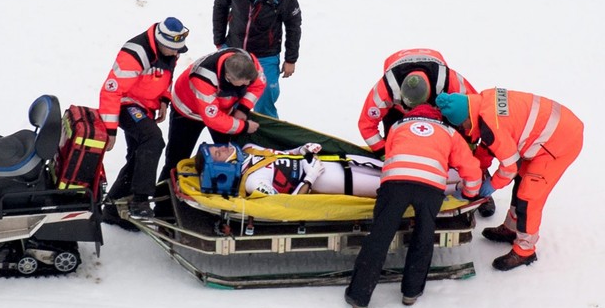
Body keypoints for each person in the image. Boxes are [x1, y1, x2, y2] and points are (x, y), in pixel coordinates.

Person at [344, 104, 484, 308]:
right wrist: (470, 194)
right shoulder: (449, 132)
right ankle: (411, 292)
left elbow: (389, 153)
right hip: (430, 188)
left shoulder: (397, 126)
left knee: (379, 238)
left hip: (395, 183)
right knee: (423, 237)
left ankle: (359, 297)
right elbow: (471, 169)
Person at [436, 88, 584, 271]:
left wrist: (490, 185)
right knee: (521, 181)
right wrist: (479, 167)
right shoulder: (482, 102)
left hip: (559, 142)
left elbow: (510, 167)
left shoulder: (491, 124)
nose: (465, 130)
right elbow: (488, 145)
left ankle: (525, 250)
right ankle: (512, 229)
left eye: (463, 126)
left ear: (467, 119)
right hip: (550, 130)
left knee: (529, 195)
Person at [356, 48, 495, 217]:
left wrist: (470, 153)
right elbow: (366, 125)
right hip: (398, 109)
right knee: (397, 136)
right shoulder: (385, 89)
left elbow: (475, 115)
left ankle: (479, 182)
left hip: (439, 105)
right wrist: (385, 152)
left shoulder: (452, 83)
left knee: (456, 131)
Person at [98, 18, 189, 223]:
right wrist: (110, 130)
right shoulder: (135, 54)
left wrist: (164, 99)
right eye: (174, 50)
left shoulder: (169, 50)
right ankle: (140, 201)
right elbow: (111, 91)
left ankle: (113, 210)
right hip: (125, 103)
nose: (177, 54)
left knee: (138, 157)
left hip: (144, 106)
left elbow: (166, 76)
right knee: (153, 139)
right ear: (160, 42)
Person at [153, 49, 266, 214]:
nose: (246, 86)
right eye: (243, 84)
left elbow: (258, 85)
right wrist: (243, 126)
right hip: (188, 111)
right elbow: (213, 119)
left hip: (221, 109)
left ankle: (225, 204)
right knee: (176, 160)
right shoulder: (204, 78)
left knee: (231, 157)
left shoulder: (248, 62)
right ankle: (163, 208)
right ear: (229, 77)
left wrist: (242, 108)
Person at [196, 141, 465, 198]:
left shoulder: (252, 150)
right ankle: (456, 191)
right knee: (401, 182)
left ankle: (460, 175)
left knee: (397, 167)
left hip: (337, 161)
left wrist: (301, 150)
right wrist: (311, 175)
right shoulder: (255, 182)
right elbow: (290, 205)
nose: (222, 148)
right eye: (218, 153)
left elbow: (281, 155)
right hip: (330, 180)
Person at [212, 0, 302, 119]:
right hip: (234, 50)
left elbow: (293, 24)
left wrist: (291, 58)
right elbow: (220, 6)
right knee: (231, 95)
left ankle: (267, 136)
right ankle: (231, 135)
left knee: (266, 94)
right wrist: (219, 42)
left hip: (266, 54)